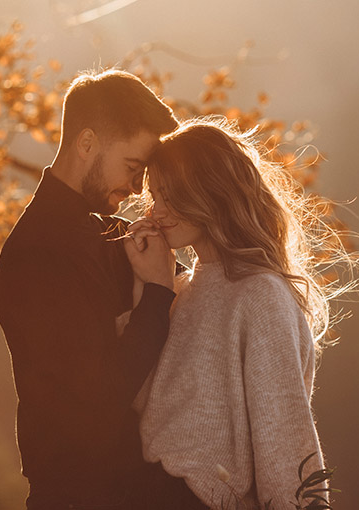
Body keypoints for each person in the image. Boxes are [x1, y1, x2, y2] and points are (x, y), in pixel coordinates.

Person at [0, 68, 196, 509]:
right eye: (132, 167)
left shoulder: (112, 235)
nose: (137, 187)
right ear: (86, 144)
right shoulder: (37, 255)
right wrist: (158, 294)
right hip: (76, 495)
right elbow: (99, 396)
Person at [128, 118, 334, 510]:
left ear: (210, 192)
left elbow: (285, 440)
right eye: (155, 195)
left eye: (171, 196)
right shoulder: (180, 290)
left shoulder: (261, 295)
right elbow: (139, 408)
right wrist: (147, 286)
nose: (156, 211)